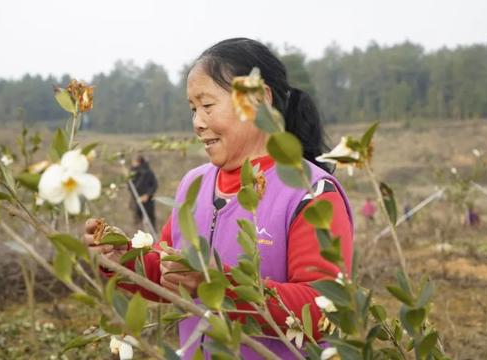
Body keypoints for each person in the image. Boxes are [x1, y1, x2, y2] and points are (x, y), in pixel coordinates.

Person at [83, 38, 354, 359]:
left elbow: (324, 308)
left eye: (208, 106)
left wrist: (221, 284)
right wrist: (122, 259)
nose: (198, 122)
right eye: (193, 109)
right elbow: (170, 272)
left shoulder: (310, 192)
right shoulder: (194, 184)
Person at [128, 155, 158, 230]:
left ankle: (153, 236)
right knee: (137, 221)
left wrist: (147, 195)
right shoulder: (132, 173)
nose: (133, 164)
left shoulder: (148, 172)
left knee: (150, 220)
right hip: (136, 200)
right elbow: (130, 187)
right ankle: (139, 237)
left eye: (134, 162)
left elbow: (154, 185)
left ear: (139, 162)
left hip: (148, 201)